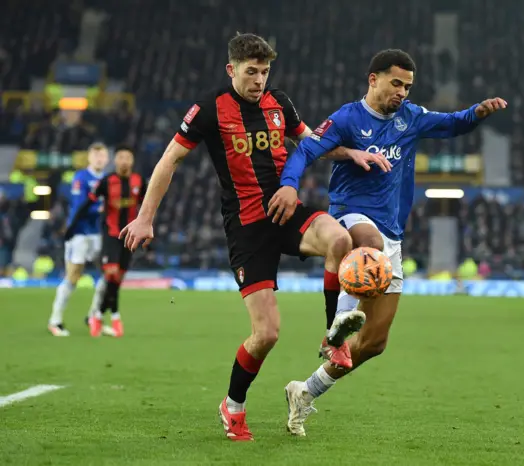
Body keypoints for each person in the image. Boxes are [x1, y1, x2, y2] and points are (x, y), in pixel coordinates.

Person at [118, 33, 390, 442]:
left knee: (339, 240)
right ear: (232, 70)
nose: (259, 80)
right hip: (247, 228)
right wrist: (144, 218)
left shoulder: (279, 102)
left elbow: (312, 141)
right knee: (267, 334)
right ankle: (233, 405)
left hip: (287, 210)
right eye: (251, 72)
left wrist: (350, 153)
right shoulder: (209, 109)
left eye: (264, 72)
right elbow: (169, 160)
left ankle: (333, 335)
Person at [268, 48, 508, 436]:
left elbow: (452, 124)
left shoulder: (410, 117)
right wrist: (290, 186)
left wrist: (477, 112)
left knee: (374, 344)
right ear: (373, 79)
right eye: (396, 83)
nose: (402, 92)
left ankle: (304, 391)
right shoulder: (348, 117)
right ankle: (336, 325)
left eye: (408, 86)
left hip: (391, 236)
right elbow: (307, 149)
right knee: (367, 239)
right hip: (352, 216)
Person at [66, 145, 147, 338]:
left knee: (117, 279)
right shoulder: (106, 181)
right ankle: (116, 316)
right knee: (110, 274)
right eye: (121, 157)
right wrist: (72, 226)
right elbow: (87, 204)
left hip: (130, 237)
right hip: (111, 235)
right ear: (115, 160)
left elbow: (147, 206)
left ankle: (98, 315)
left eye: (128, 157)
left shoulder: (139, 181)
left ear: (132, 160)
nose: (124, 161)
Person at [48, 142, 108, 337]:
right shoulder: (81, 177)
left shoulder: (108, 180)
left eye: (102, 156)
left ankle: (94, 316)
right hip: (79, 233)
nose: (99, 159)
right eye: (96, 155)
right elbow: (79, 205)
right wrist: (101, 208)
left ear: (106, 159)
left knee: (108, 274)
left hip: (97, 233)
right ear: (89, 158)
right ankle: (55, 320)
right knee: (73, 274)